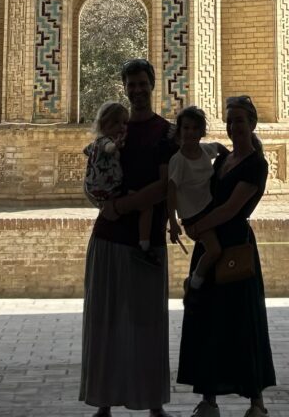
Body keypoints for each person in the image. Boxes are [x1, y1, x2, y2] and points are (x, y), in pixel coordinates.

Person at [79, 58, 178, 417]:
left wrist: (124, 206)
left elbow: (168, 187)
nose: (137, 90)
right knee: (105, 321)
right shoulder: (113, 130)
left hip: (145, 240)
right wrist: (107, 204)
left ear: (153, 84)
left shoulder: (166, 133)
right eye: (131, 84)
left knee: (148, 324)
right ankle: (103, 404)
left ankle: (153, 405)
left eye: (142, 83)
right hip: (109, 236)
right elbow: (93, 179)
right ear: (125, 87)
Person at [177, 95, 276, 417]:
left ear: (252, 124)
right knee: (208, 322)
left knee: (242, 323)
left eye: (240, 121)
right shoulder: (223, 159)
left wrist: (196, 227)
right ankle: (209, 400)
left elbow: (232, 208)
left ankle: (256, 403)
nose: (234, 127)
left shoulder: (256, 164)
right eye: (230, 120)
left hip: (234, 246)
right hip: (212, 244)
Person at [83, 100, 157, 263]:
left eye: (125, 122)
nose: (122, 127)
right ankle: (144, 245)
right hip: (110, 190)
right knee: (145, 204)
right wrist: (115, 146)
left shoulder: (96, 143)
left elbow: (86, 150)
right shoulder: (105, 142)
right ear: (104, 125)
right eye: (116, 122)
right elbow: (108, 148)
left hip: (97, 192)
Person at [166, 106, 224, 294]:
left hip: (210, 210)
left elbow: (219, 148)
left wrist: (230, 159)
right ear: (179, 131)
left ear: (201, 131)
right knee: (214, 251)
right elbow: (171, 192)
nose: (190, 132)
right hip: (195, 217)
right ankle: (194, 281)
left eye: (195, 128)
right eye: (186, 128)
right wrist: (173, 223)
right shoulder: (179, 160)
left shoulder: (205, 151)